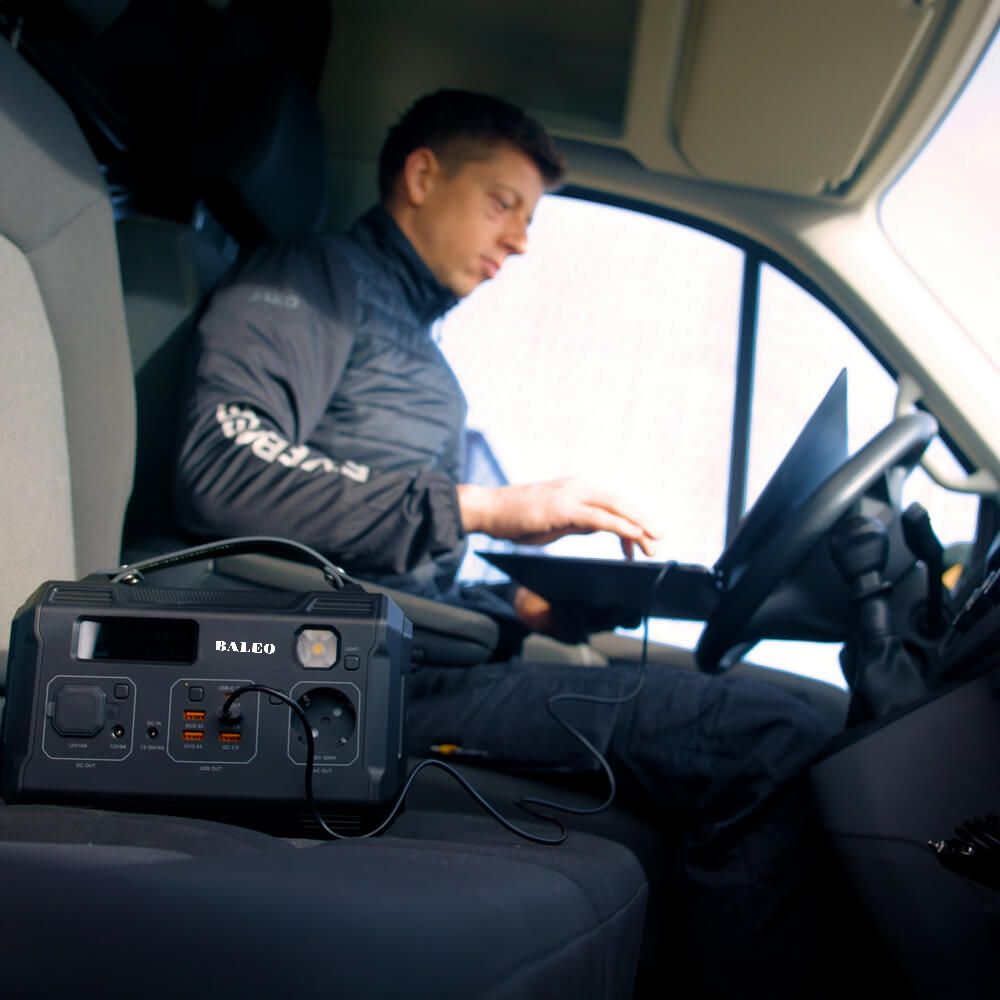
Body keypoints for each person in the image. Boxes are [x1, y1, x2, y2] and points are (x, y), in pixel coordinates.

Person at [174, 90, 838, 997]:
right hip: (358, 688)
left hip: (429, 656)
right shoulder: (313, 279)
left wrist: (524, 605)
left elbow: (402, 564)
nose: (521, 241)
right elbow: (221, 465)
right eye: (503, 203)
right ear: (422, 176)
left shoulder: (419, 349)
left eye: (528, 217)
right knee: (764, 738)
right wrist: (487, 507)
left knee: (776, 711)